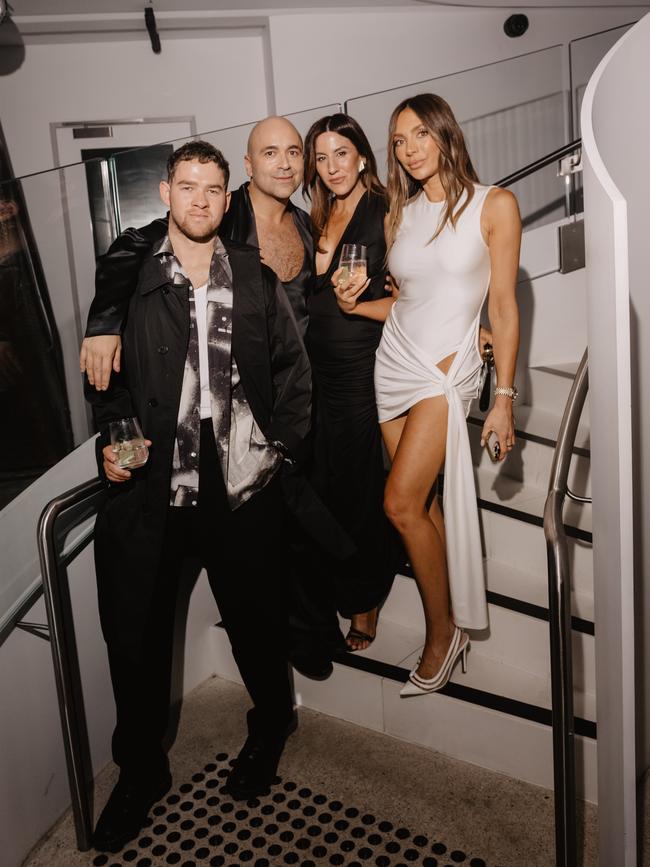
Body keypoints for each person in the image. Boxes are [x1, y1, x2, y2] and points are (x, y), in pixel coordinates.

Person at [86, 140, 311, 851]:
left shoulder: (251, 273)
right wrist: (114, 445)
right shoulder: (131, 275)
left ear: (227, 195)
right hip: (156, 480)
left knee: (255, 621)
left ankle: (271, 723)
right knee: (138, 634)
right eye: (189, 187)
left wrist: (276, 453)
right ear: (166, 193)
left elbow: (292, 372)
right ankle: (141, 772)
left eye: (214, 189)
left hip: (237, 483)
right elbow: (108, 378)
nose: (202, 200)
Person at [373, 93, 521, 696]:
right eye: (399, 141)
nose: (409, 150)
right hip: (394, 363)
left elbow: (504, 307)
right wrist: (353, 302)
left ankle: (442, 633)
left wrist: (505, 395)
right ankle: (450, 617)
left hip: (446, 374)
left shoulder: (496, 205)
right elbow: (409, 298)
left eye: (418, 136)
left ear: (444, 134)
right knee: (423, 507)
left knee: (399, 504)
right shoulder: (398, 214)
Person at [301, 113, 400, 651]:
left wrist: (365, 306)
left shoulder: (385, 212)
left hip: (360, 370)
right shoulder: (315, 214)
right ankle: (336, 584)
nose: (332, 166)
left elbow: (412, 300)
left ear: (363, 155)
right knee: (324, 484)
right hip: (312, 376)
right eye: (322, 157)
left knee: (359, 485)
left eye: (342, 153)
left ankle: (365, 601)